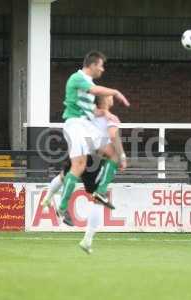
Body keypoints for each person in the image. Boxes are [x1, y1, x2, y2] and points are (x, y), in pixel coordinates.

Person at [42, 95, 126, 254]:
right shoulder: (110, 117)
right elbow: (113, 135)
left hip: (81, 152)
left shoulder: (88, 115)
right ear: (104, 101)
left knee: (64, 175)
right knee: (98, 198)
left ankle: (49, 199)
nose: (112, 98)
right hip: (94, 161)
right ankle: (87, 240)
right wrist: (122, 156)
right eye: (109, 96)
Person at [57, 51, 129, 225]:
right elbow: (95, 90)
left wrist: (104, 112)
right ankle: (62, 207)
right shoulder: (77, 78)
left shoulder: (87, 83)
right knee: (79, 165)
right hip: (75, 125)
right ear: (93, 65)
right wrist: (116, 92)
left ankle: (100, 191)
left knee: (114, 153)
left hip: (86, 126)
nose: (102, 69)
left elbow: (91, 110)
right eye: (101, 65)